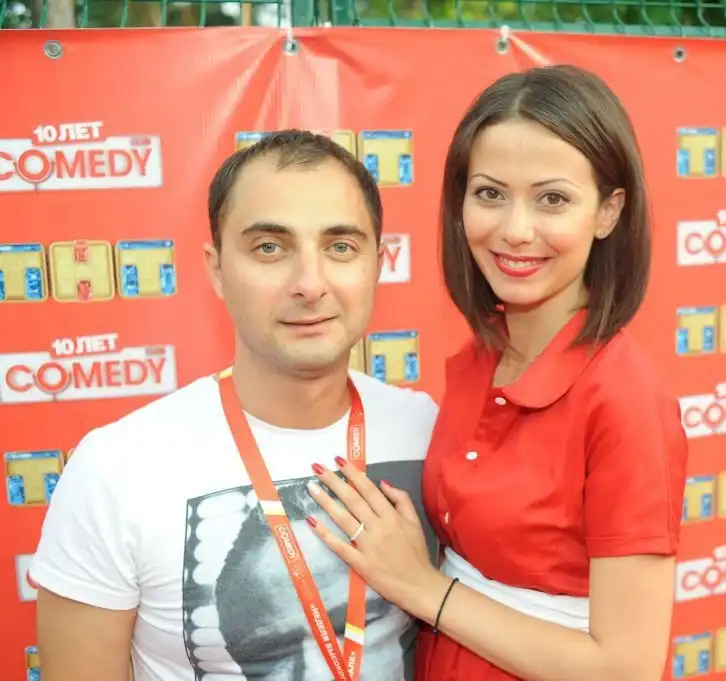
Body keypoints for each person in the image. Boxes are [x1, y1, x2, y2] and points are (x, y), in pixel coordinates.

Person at [302, 64, 689, 681]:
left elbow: (626, 668)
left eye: (553, 199)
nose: (515, 229)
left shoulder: (625, 399)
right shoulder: (482, 358)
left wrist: (422, 588)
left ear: (609, 212)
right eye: (490, 194)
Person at [31, 130, 440, 681]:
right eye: (270, 247)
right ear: (217, 268)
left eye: (340, 247)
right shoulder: (116, 468)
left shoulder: (431, 431)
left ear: (378, 263)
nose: (309, 283)